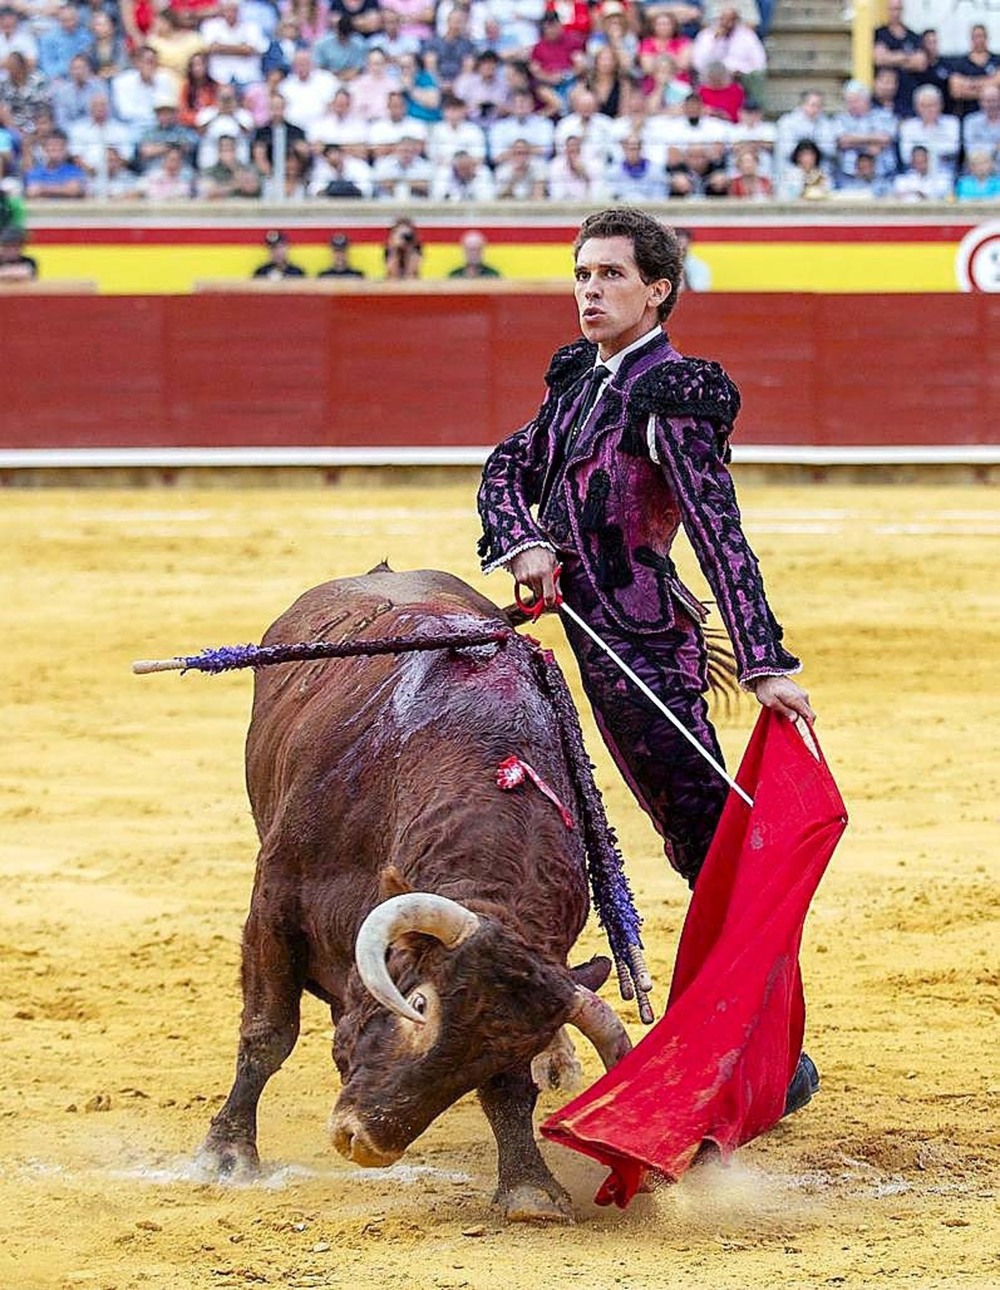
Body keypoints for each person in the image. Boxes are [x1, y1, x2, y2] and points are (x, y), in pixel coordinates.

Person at [476, 206, 818, 1112]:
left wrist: (763, 662)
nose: (590, 292)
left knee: (710, 850)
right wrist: (527, 547)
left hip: (642, 653)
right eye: (582, 276)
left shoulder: (672, 391)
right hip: (587, 638)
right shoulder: (580, 383)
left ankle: (769, 1054)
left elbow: (719, 532)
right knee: (692, 845)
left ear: (658, 289)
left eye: (611, 277)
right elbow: (505, 469)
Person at [382, 215, 422, 279]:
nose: (405, 239)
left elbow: (411, 275)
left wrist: (410, 251)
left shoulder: (415, 251)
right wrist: (394, 250)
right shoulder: (391, 250)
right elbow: (393, 275)